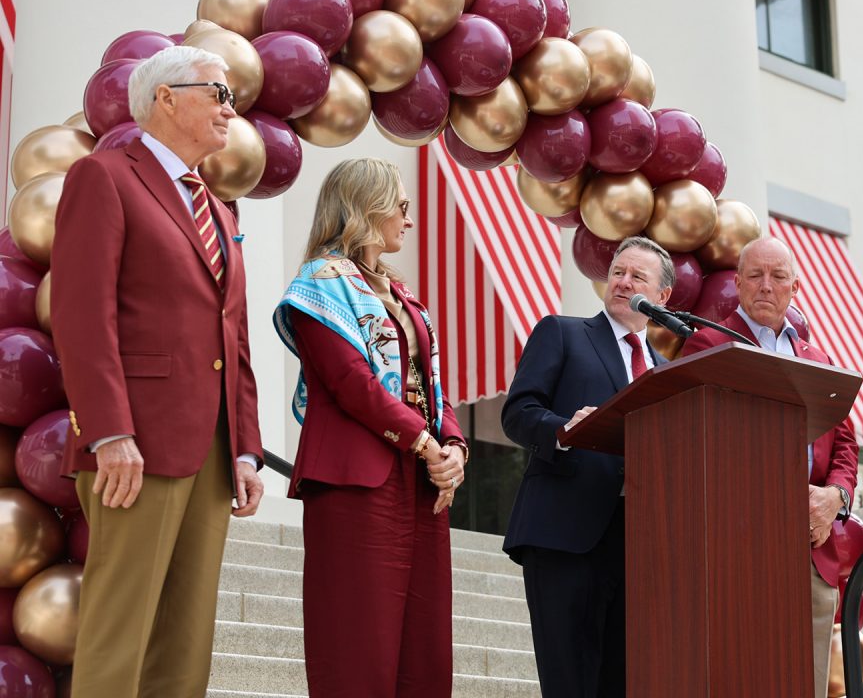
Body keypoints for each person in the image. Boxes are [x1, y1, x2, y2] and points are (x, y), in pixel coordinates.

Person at [51, 45, 264, 697]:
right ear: (167, 99)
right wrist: (110, 432)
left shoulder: (222, 211)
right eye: (219, 94)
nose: (232, 109)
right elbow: (83, 317)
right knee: (121, 637)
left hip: (213, 453)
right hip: (134, 446)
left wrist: (248, 451)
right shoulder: (105, 177)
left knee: (186, 646)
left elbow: (237, 338)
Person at [273, 157, 467, 698]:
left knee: (424, 648)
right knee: (356, 642)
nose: (408, 219)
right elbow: (350, 383)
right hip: (356, 478)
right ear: (367, 207)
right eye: (401, 206)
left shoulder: (401, 293)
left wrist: (453, 444)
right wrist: (426, 441)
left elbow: (431, 385)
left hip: (420, 478)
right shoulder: (320, 285)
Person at [677, 236, 858, 696]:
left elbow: (846, 443)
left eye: (778, 277)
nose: (766, 286)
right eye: (755, 275)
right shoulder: (709, 345)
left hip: (811, 542)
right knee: (745, 674)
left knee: (808, 681)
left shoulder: (817, 358)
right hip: (739, 540)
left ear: (794, 289)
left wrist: (834, 497)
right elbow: (698, 436)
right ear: (736, 284)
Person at [502, 236, 674, 697]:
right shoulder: (562, 332)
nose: (623, 282)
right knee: (569, 681)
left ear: (662, 298)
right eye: (618, 272)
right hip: (564, 534)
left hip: (637, 543)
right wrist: (563, 429)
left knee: (622, 680)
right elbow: (517, 413)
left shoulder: (666, 373)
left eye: (638, 277)